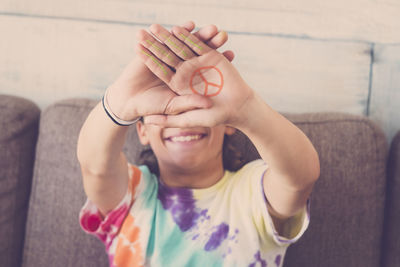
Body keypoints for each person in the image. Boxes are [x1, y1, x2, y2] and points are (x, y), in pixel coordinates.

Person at [77, 21, 320, 267]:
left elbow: (300, 179)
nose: (184, 122)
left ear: (228, 124)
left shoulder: (251, 192)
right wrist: (118, 103)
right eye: (167, 110)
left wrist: (248, 109)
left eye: (196, 106)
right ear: (142, 131)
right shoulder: (131, 194)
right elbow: (94, 166)